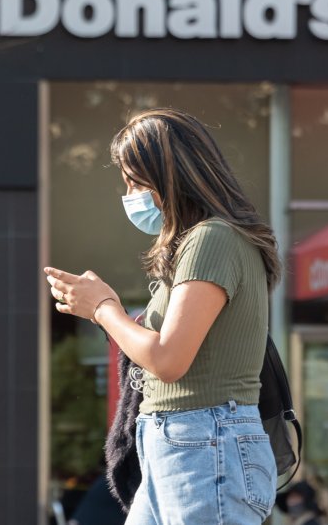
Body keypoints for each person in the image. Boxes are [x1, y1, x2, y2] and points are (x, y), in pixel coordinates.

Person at [44, 108, 281, 524]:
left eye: (136, 181)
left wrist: (103, 309)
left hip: (205, 442)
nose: (131, 194)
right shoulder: (208, 239)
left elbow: (168, 360)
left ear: (172, 175)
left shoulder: (212, 238)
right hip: (188, 442)